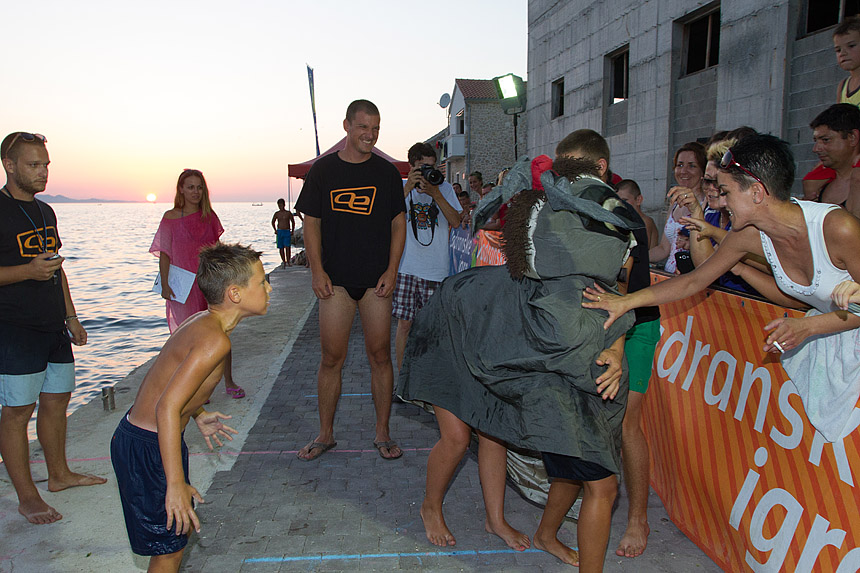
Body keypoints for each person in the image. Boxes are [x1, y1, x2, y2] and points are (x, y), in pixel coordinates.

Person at [398, 156, 638, 569]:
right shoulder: (542, 274)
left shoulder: (588, 273)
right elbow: (576, 339)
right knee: (457, 439)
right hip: (455, 329)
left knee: (503, 431)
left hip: (505, 348)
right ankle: (430, 507)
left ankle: (501, 522)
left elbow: (622, 306)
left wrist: (616, 347)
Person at [586, 134, 860, 444]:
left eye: (727, 192)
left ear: (757, 192)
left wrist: (809, 326)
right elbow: (693, 281)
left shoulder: (837, 227)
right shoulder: (745, 237)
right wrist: (626, 302)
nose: (723, 201)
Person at [111, 243, 270, 573]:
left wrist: (197, 412)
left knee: (173, 542)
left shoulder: (203, 323)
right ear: (235, 294)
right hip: (148, 445)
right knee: (168, 549)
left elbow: (167, 381)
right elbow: (167, 406)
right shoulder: (215, 340)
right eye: (263, 281)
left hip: (144, 438)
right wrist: (176, 484)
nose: (269, 287)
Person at [554, 130, 660, 560]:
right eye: (561, 167)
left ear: (599, 168)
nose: (564, 175)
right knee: (583, 428)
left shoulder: (621, 214)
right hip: (589, 329)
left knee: (626, 425)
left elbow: (617, 288)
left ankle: (637, 518)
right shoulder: (564, 209)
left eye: (573, 166)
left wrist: (614, 345)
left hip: (632, 327)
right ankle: (574, 510)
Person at [0, 132, 106, 525]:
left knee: (57, 399)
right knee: (16, 411)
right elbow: (34, 267)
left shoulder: (47, 212)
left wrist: (71, 316)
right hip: (14, 328)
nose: (43, 172)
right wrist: (26, 271)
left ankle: (59, 475)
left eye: (46, 164)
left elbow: (57, 269)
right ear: (9, 165)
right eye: (33, 165)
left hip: (52, 327)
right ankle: (27, 497)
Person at [294, 99, 406, 461]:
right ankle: (325, 433)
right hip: (336, 282)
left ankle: (382, 432)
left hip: (377, 283)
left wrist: (392, 270)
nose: (370, 135)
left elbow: (398, 224)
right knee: (331, 358)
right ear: (346, 125)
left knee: (380, 356)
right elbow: (311, 223)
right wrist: (317, 270)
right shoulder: (323, 171)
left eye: (375, 128)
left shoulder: (387, 174)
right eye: (363, 127)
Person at [150, 169, 245, 399]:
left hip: (210, 282)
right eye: (190, 187)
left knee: (220, 333)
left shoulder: (209, 216)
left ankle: (229, 381)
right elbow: (165, 254)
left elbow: (217, 251)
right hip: (183, 287)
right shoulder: (170, 217)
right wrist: (164, 284)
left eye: (199, 187)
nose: (195, 192)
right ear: (181, 189)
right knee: (190, 337)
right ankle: (197, 387)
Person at [393, 143, 461, 369]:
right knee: (404, 326)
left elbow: (456, 221)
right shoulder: (400, 188)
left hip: (436, 270)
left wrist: (436, 193)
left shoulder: (445, 188)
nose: (428, 172)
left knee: (433, 328)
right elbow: (386, 217)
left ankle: (429, 381)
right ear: (411, 167)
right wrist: (406, 190)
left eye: (432, 167)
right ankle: (403, 382)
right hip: (406, 268)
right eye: (423, 167)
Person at [803, 16, 860, 200]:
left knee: (856, 180)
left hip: (856, 147)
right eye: (838, 50)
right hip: (847, 148)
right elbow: (834, 121)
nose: (843, 53)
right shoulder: (843, 86)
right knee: (810, 180)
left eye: (852, 46)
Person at [648, 142, 709, 273]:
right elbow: (664, 248)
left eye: (692, 166)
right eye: (679, 165)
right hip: (670, 279)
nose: (683, 171)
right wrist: (633, 257)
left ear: (703, 171)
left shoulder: (708, 204)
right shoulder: (674, 204)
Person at [616, 179, 659, 249]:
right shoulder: (626, 221)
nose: (620, 204)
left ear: (638, 200)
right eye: (617, 200)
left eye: (625, 200)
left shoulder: (645, 222)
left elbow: (640, 250)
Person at [271, 198, 296, 268]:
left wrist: (293, 230)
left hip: (287, 231)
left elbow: (292, 222)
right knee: (281, 248)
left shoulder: (288, 213)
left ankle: (288, 261)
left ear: (284, 205)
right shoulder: (277, 213)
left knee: (287, 247)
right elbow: (273, 222)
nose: (280, 207)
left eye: (281, 205)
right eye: (279, 205)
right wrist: (275, 230)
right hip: (280, 231)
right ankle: (284, 261)